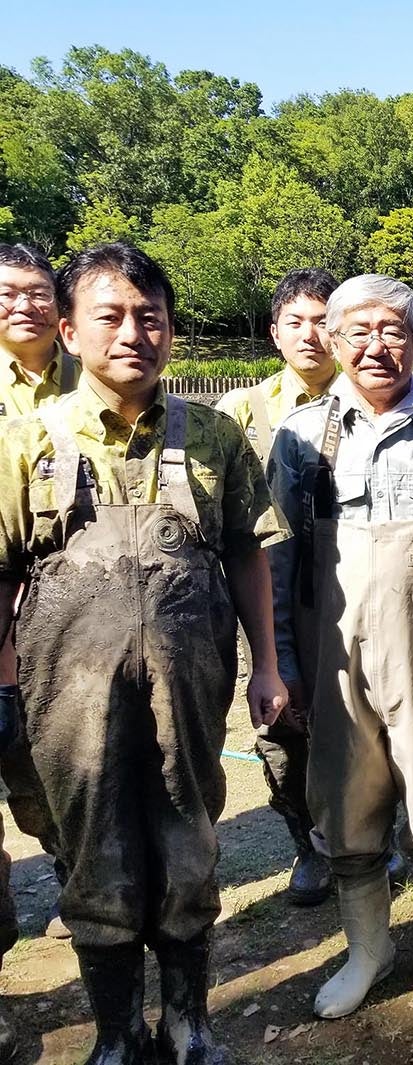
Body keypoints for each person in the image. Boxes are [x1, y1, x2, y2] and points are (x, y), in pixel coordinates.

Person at [0, 242, 289, 1064]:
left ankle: (191, 1023)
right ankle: (117, 1033)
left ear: (170, 331)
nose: (134, 332)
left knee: (188, 839)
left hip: (191, 686)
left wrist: (267, 664)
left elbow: (247, 553)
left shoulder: (217, 436)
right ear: (67, 329)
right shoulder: (25, 441)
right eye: (111, 316)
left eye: (150, 317)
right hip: (66, 699)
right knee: (96, 850)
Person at [267, 274, 413, 1023]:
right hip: (333, 656)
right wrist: (283, 660)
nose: (378, 346)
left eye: (394, 330)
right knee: (345, 807)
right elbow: (279, 561)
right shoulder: (301, 436)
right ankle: (369, 951)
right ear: (334, 343)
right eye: (359, 331)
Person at [216, 266, 340, 907]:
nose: (311, 335)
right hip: (265, 589)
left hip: (340, 588)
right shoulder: (240, 412)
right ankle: (307, 844)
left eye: (323, 320)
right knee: (280, 726)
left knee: (359, 718)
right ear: (274, 332)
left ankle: (371, 834)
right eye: (296, 321)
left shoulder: (369, 398)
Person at [0, 242, 81, 1060]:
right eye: (5, 294)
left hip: (60, 610)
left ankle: (70, 865)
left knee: (48, 762)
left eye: (34, 293)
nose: (20, 306)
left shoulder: (85, 380)